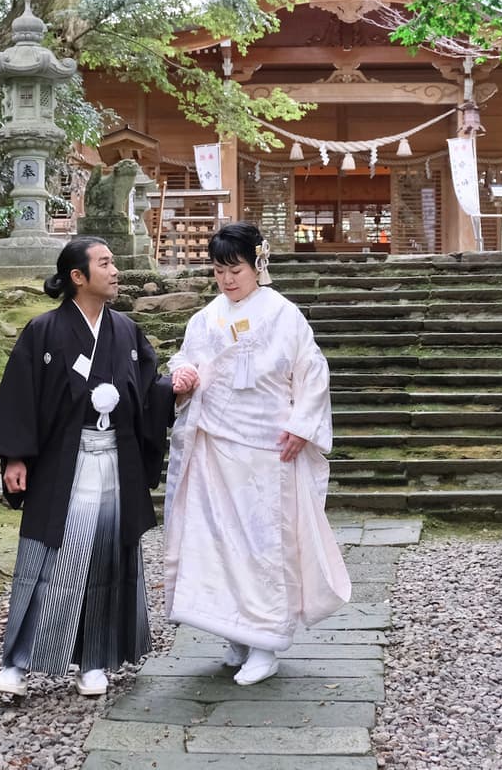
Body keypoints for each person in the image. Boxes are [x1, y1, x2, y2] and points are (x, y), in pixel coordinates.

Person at [0, 237, 176, 697]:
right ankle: (18, 662)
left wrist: (176, 388)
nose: (114, 270)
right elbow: (20, 396)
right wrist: (14, 456)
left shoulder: (126, 330)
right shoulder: (43, 331)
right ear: (77, 277)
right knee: (45, 560)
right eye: (104, 264)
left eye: (112, 262)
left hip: (113, 461)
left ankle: (94, 659)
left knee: (106, 558)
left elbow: (149, 392)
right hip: (61, 464)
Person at [164, 222, 351, 686]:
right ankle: (235, 633)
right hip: (214, 443)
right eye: (219, 270)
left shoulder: (284, 313)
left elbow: (312, 371)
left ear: (256, 264)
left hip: (267, 447)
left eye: (236, 269)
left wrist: (301, 426)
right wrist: (182, 377)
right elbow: (185, 361)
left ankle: (267, 640)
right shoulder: (205, 318)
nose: (227, 280)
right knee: (215, 541)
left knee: (263, 543)